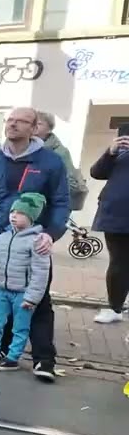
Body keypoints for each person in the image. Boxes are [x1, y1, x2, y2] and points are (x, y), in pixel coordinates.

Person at [0, 106, 70, 383]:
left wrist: (52, 233)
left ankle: (44, 360)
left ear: (34, 127)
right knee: (2, 298)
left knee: (37, 301)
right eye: (9, 121)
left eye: (20, 121)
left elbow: (61, 202)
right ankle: (4, 352)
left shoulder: (50, 162)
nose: (12, 125)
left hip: (34, 244)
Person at [0, 192, 52, 371]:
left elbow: (40, 273)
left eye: (20, 213)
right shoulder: (3, 237)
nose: (14, 216)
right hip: (1, 289)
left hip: (22, 293)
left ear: (31, 217)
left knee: (20, 327)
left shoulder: (37, 241)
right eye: (13, 212)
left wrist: (32, 298)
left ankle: (13, 357)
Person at [91, 132, 129, 324]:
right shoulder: (120, 153)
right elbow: (96, 172)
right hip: (116, 216)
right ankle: (115, 307)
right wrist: (111, 152)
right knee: (119, 263)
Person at [36, 111, 88, 208]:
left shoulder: (59, 152)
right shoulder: (26, 147)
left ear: (49, 129)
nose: (34, 126)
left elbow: (71, 183)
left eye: (39, 123)